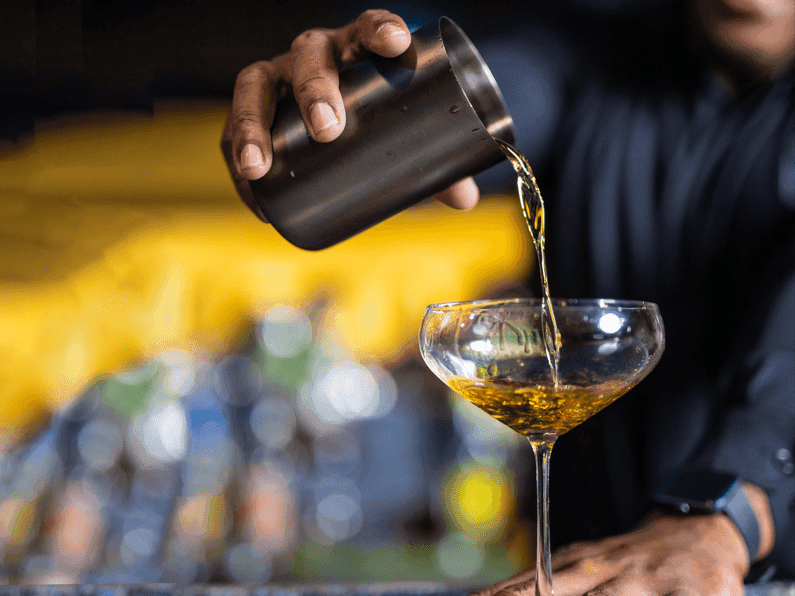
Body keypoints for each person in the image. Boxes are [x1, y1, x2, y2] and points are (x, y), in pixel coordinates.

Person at [221, 1, 795, 594]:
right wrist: (334, 111)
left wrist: (723, 509)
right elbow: (491, 89)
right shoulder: (589, 55)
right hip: (579, 568)